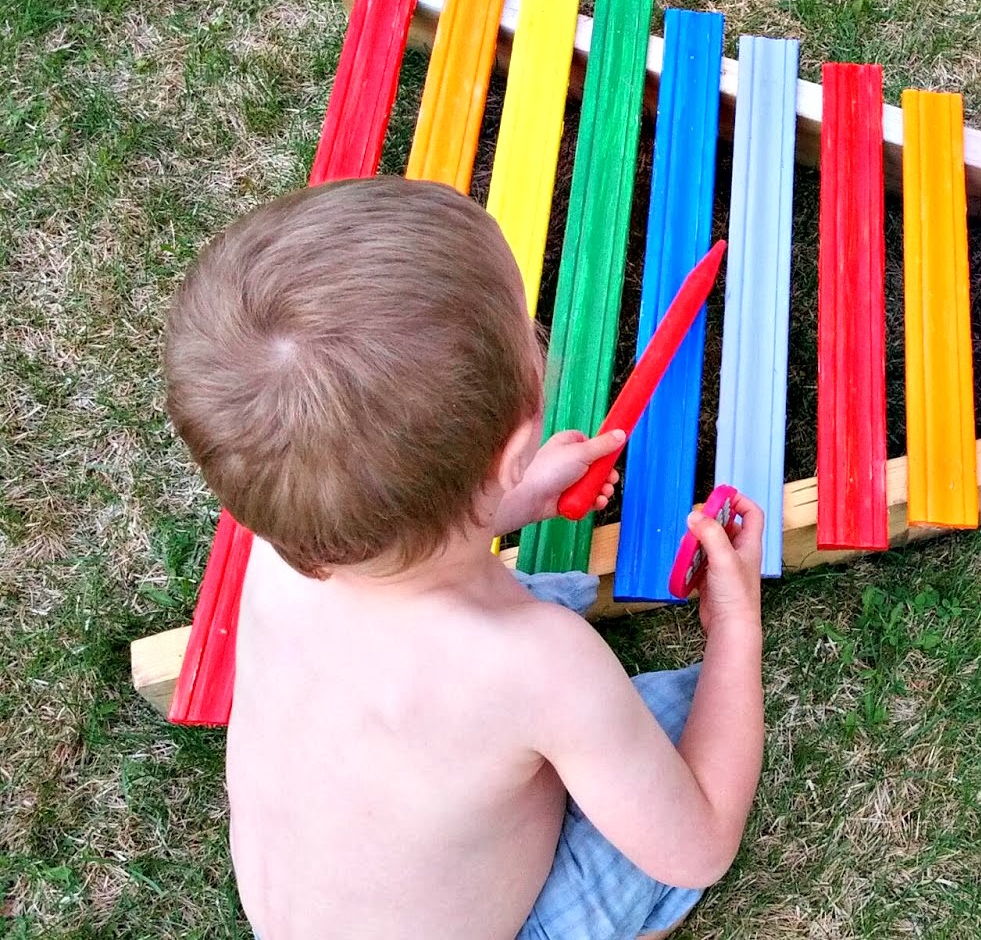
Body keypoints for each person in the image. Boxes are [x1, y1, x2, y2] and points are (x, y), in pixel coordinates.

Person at [162, 175, 765, 940]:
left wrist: (513, 496)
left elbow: (384, 523)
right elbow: (698, 845)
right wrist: (736, 628)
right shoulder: (542, 666)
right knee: (676, 717)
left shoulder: (283, 554)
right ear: (513, 451)